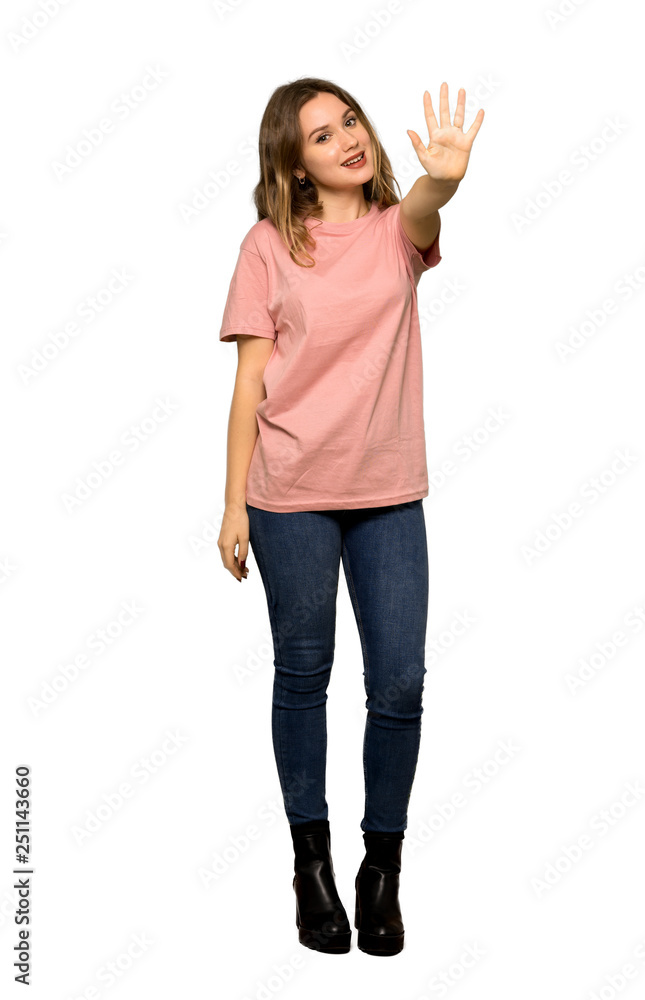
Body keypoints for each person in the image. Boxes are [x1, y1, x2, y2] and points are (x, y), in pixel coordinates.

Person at [217, 76, 483, 956]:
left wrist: (444, 178)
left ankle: (382, 869)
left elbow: (428, 208)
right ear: (295, 166)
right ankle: (311, 868)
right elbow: (250, 383)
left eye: (351, 121)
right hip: (288, 493)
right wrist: (232, 504)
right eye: (323, 135)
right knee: (303, 674)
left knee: (399, 683)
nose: (348, 139)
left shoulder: (398, 229)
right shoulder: (266, 246)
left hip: (388, 492)